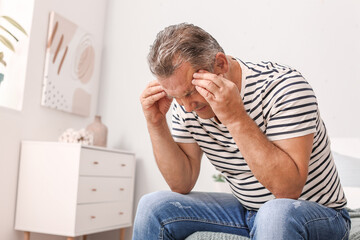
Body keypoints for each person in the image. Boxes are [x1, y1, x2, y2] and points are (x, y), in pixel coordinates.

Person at [134, 23, 351, 240]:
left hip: (319, 213)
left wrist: (235, 118)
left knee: (275, 213)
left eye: (191, 93)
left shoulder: (283, 87)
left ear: (220, 64)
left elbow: (287, 190)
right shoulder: (186, 104)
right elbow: (181, 183)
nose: (186, 107)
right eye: (176, 97)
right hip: (248, 210)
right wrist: (156, 123)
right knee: (152, 206)